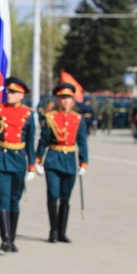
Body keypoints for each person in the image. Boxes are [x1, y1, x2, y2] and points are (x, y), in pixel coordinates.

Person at [0, 77, 36, 252]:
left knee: (15, 200)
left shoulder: (28, 114)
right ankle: (5, 239)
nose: (9, 94)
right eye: (8, 91)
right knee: (3, 199)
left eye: (14, 92)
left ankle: (12, 238)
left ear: (22, 96)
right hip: (0, 158)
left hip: (18, 160)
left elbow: (30, 143)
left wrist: (32, 165)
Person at [35, 83, 88, 244]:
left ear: (72, 100)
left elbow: (82, 142)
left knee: (65, 198)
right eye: (62, 98)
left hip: (70, 161)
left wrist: (84, 162)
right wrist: (38, 159)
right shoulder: (50, 117)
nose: (65, 101)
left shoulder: (78, 119)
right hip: (53, 159)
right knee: (53, 195)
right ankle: (53, 231)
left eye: (68, 98)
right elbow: (43, 140)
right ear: (58, 99)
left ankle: (62, 231)